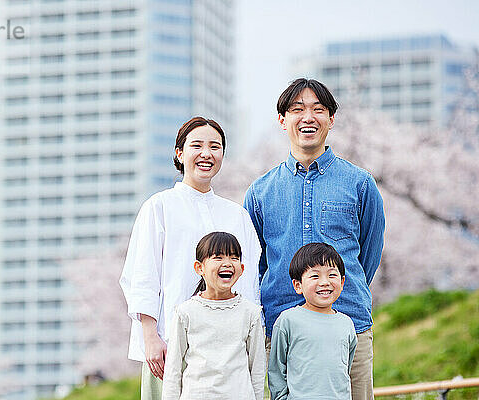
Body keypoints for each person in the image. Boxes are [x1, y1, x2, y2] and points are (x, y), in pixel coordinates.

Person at [244, 78, 385, 400]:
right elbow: (257, 262)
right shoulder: (260, 192)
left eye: (318, 110)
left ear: (331, 120)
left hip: (348, 320)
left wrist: (337, 288)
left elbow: (369, 254)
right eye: (297, 110)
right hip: (281, 325)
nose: (308, 117)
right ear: (282, 120)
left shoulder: (360, 184)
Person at [120, 117, 262, 400]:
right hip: (169, 346)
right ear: (179, 153)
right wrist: (150, 336)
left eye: (215, 146)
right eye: (197, 145)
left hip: (229, 351)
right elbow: (142, 275)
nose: (206, 154)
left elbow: (249, 284)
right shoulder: (159, 207)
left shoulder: (237, 215)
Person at [162, 232, 266, 400]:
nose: (227, 263)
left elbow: (258, 369)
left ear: (242, 268)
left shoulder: (250, 312)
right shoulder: (185, 312)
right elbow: (172, 370)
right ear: (199, 267)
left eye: (234, 257)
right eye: (218, 257)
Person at [268, 242, 357, 400]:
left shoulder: (346, 323)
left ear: (342, 282)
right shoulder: (288, 320)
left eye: (332, 275)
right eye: (315, 276)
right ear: (298, 285)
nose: (324, 282)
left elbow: (345, 368)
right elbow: (276, 369)